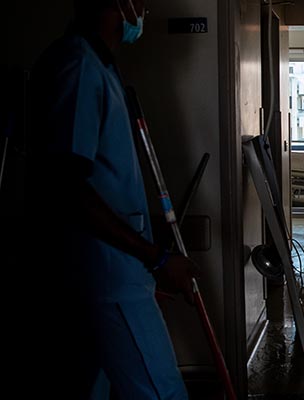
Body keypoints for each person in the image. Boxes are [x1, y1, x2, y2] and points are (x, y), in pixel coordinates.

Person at [26, 0, 197, 398]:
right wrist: (153, 256)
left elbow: (107, 179)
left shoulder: (100, 66)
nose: (144, 12)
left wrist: (149, 239)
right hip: (107, 272)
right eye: (140, 3)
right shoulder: (79, 66)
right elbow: (67, 187)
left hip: (112, 264)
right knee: (161, 391)